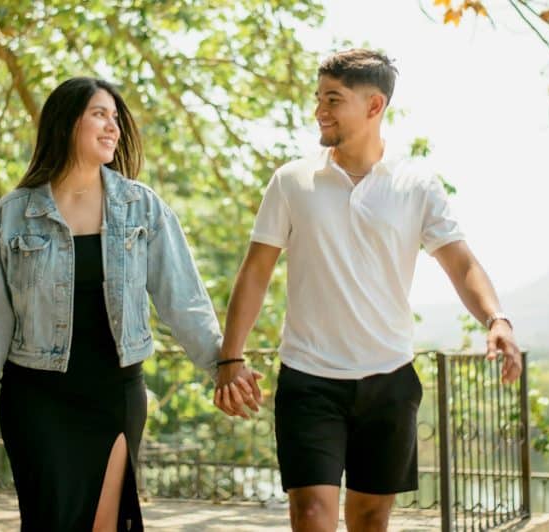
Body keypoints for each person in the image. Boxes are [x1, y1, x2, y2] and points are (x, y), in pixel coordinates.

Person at [213, 49, 522, 532]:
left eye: (333, 99)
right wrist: (230, 358)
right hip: (309, 380)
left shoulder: (416, 184)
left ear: (374, 106)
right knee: (312, 514)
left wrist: (496, 319)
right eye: (319, 98)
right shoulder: (292, 181)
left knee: (370, 520)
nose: (320, 110)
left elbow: (460, 263)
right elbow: (255, 272)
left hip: (389, 382)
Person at [0, 77, 223, 532]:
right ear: (66, 124)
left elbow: (183, 299)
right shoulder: (13, 214)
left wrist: (224, 366)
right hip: (37, 398)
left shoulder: (142, 208)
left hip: (113, 394)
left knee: (106, 525)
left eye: (115, 119)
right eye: (100, 114)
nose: (112, 127)